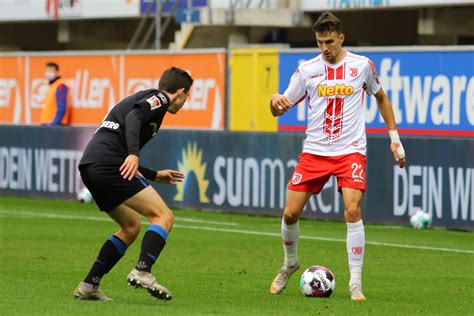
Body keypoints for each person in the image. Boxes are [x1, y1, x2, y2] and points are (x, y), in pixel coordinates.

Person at [268, 12, 406, 301]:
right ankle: (290, 263)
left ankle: (355, 282)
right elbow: (281, 106)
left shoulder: (362, 66)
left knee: (352, 211)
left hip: (350, 151)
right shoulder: (306, 70)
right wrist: (275, 102)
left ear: (341, 38)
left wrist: (394, 139)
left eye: (329, 41)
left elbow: (381, 97)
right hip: (315, 151)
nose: (325, 48)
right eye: (320, 42)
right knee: (290, 213)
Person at [73, 67, 193, 301]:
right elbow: (133, 118)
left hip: (91, 166)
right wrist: (134, 153)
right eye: (188, 96)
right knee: (164, 216)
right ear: (180, 92)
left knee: (130, 226)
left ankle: (89, 284)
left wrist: (154, 174)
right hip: (109, 165)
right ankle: (142, 270)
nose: (185, 101)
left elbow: (121, 146)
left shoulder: (146, 99)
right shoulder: (159, 98)